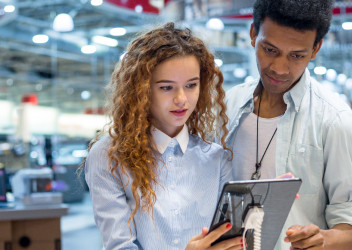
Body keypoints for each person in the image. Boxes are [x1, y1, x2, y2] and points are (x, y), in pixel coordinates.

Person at [224, 0, 352, 249]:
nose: (279, 68)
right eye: (269, 50)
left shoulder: (337, 122)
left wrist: (322, 240)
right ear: (252, 35)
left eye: (297, 56)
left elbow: (350, 228)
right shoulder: (227, 106)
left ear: (315, 50)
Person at [84, 22, 244, 250]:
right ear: (141, 89)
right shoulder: (108, 156)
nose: (182, 99)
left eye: (191, 85)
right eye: (166, 88)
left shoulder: (217, 158)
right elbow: (120, 246)